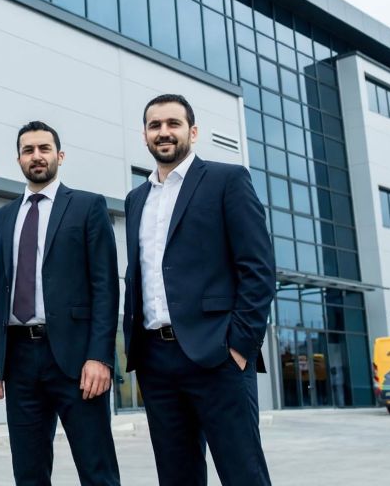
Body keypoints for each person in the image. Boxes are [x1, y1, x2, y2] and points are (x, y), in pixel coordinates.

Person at [123, 93, 275, 486]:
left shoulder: (228, 180)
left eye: (173, 123)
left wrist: (240, 347)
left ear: (192, 131)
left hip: (217, 356)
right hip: (157, 360)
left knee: (244, 474)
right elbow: (138, 276)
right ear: (144, 135)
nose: (164, 132)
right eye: (155, 125)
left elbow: (258, 269)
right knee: (177, 477)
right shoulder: (136, 199)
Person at [0, 121, 121, 486]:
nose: (37, 156)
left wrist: (100, 356)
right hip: (18, 359)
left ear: (59, 156)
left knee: (97, 468)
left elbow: (105, 288)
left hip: (76, 361)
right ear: (19, 159)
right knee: (28, 472)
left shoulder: (88, 207)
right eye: (28, 150)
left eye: (44, 149)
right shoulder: (1, 219)